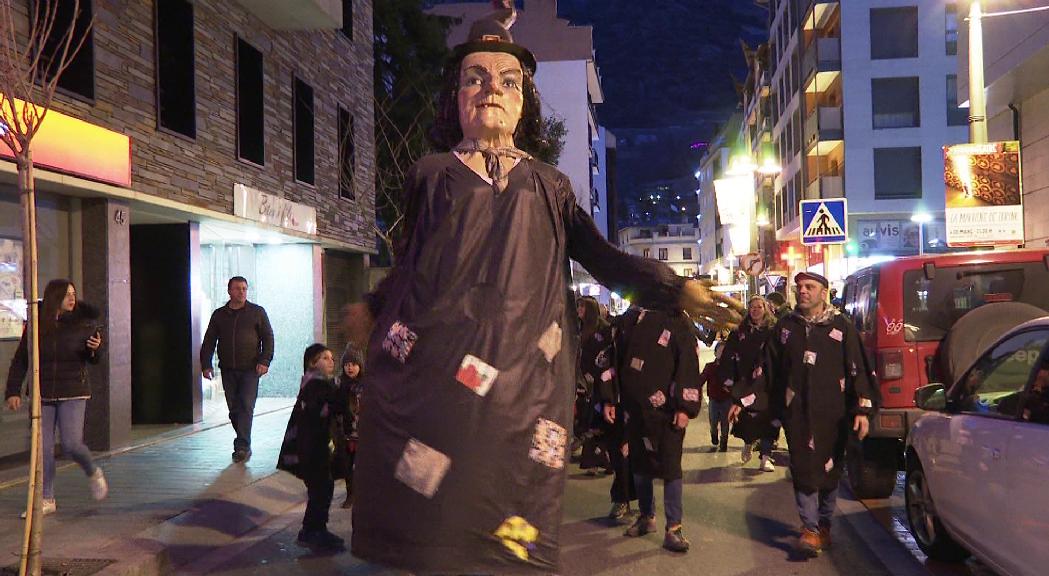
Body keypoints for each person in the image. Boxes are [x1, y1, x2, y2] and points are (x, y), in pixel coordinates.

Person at [343, 3, 742, 572]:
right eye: (473, 79)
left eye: (507, 81)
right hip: (443, 377)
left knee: (509, 508)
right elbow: (410, 264)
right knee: (434, 510)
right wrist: (374, 309)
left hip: (522, 382)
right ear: (455, 96)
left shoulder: (550, 185)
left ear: (524, 100)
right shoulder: (431, 175)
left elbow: (601, 258)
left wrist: (674, 291)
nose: (490, 91)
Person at [759, 272, 878, 557]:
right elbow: (769, 368)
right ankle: (810, 528)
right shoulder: (786, 327)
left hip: (833, 413)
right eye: (799, 287)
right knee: (803, 466)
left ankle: (824, 524)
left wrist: (861, 409)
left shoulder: (842, 328)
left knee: (830, 470)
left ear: (823, 292)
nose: (803, 292)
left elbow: (858, 369)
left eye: (809, 287)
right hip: (797, 413)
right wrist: (747, 400)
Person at [5, 279, 108, 517]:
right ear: (54, 298)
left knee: (72, 444)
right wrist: (13, 391)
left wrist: (94, 348)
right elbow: (22, 359)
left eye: (74, 294)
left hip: (73, 391)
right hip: (43, 393)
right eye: (66, 295)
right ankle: (46, 498)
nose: (72, 298)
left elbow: (94, 358)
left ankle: (93, 471)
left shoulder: (84, 322)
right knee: (43, 449)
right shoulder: (38, 323)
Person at [603, 307, 703, 553]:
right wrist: (609, 398)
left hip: (666, 410)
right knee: (639, 465)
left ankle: (674, 528)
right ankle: (647, 517)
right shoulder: (629, 318)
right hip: (633, 407)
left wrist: (685, 407)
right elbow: (612, 357)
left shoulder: (677, 319)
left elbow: (688, 361)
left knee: (670, 467)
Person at [277, 344, 345, 551]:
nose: (331, 361)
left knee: (321, 489)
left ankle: (314, 530)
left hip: (311, 449)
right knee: (321, 490)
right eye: (324, 358)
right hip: (313, 450)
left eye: (332, 357)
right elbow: (333, 406)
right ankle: (313, 531)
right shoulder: (316, 385)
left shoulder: (314, 384)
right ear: (312, 363)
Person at [200, 276, 274, 463]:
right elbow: (209, 340)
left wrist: (265, 360)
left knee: (246, 406)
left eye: (244, 288)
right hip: (228, 369)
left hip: (251, 369)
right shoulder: (219, 315)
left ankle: (242, 446)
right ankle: (243, 441)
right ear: (229, 291)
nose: (241, 292)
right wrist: (206, 364)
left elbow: (268, 337)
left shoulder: (257, 312)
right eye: (237, 288)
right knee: (234, 409)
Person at [725, 296, 779, 472]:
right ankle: (748, 443)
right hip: (746, 382)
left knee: (769, 420)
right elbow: (729, 356)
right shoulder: (740, 332)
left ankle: (765, 456)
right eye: (752, 307)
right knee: (748, 419)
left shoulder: (773, 331)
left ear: (765, 309)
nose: (755, 310)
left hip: (768, 383)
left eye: (759, 307)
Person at [335, 346, 364, 509]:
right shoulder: (339, 384)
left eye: (353, 364)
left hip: (362, 434)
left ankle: (362, 494)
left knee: (361, 467)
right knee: (347, 467)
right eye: (347, 364)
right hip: (345, 434)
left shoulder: (365, 385)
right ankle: (350, 494)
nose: (350, 367)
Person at [700, 341, 731, 452]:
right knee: (713, 421)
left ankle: (724, 443)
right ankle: (714, 435)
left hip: (727, 399)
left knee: (725, 423)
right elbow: (702, 379)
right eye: (720, 351)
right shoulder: (710, 367)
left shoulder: (731, 368)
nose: (722, 354)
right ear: (715, 352)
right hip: (713, 399)